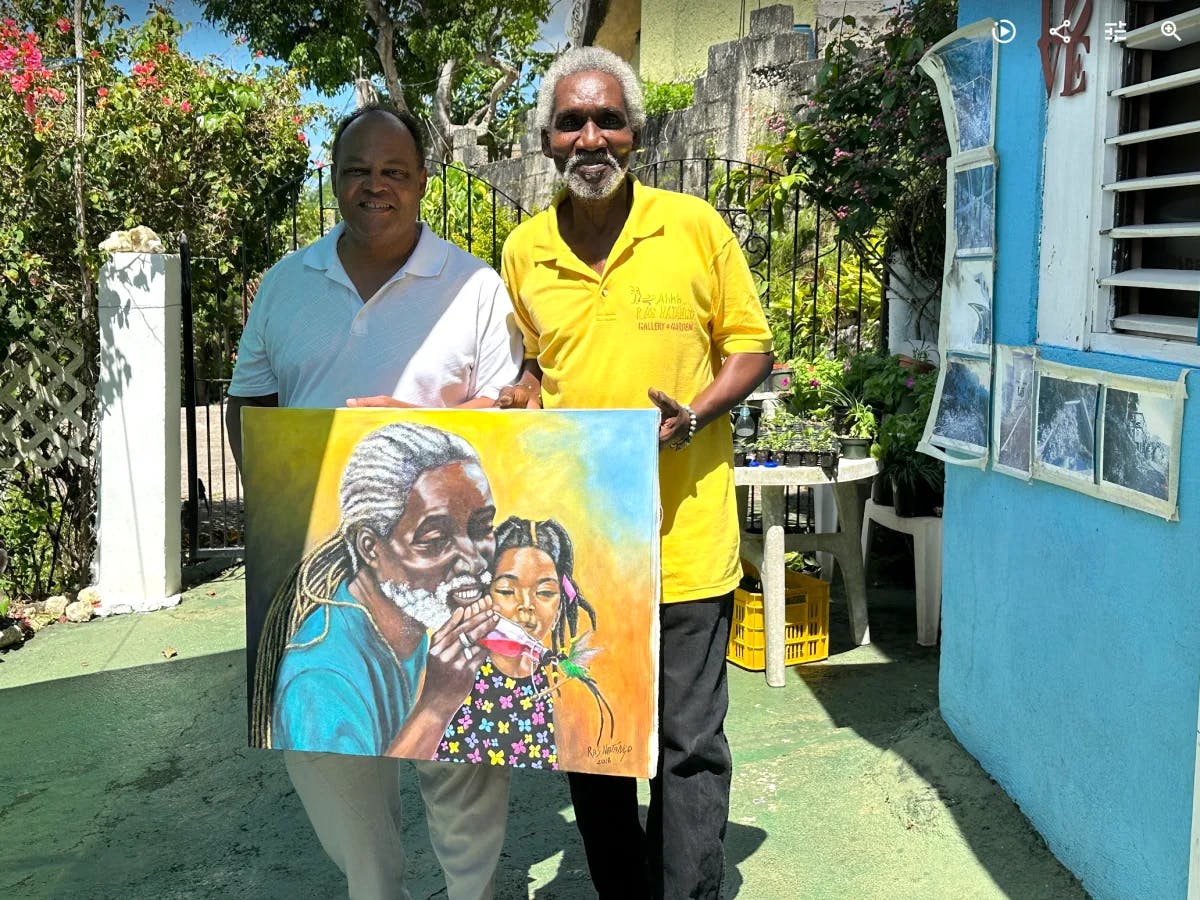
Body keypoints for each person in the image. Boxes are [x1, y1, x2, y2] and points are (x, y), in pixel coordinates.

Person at [496, 46, 774, 900]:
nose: (592, 137)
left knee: (689, 747)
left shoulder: (692, 226)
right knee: (599, 745)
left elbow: (752, 349)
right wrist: (524, 388)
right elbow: (537, 363)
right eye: (573, 122)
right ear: (546, 142)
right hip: (582, 555)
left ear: (637, 135)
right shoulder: (523, 251)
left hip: (687, 542)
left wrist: (697, 409)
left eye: (609, 119)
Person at [226, 103, 520, 900]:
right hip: (326, 569)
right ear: (335, 177)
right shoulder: (287, 285)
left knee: (465, 771)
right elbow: (248, 404)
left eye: (395, 171)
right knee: (335, 765)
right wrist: (277, 503)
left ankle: (471, 894)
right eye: (359, 170)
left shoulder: (475, 287)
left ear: (424, 181)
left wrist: (405, 426)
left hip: (444, 572)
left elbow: (514, 424)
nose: (376, 186)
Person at [257, 422, 501, 760]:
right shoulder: (320, 683)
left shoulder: (411, 624)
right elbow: (348, 801)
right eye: (435, 540)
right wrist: (437, 704)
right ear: (371, 548)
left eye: (483, 528)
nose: (474, 561)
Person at [434, 515, 611, 769]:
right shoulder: (456, 675)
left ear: (561, 603)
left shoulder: (559, 688)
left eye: (545, 593)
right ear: (485, 593)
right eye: (507, 591)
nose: (526, 606)